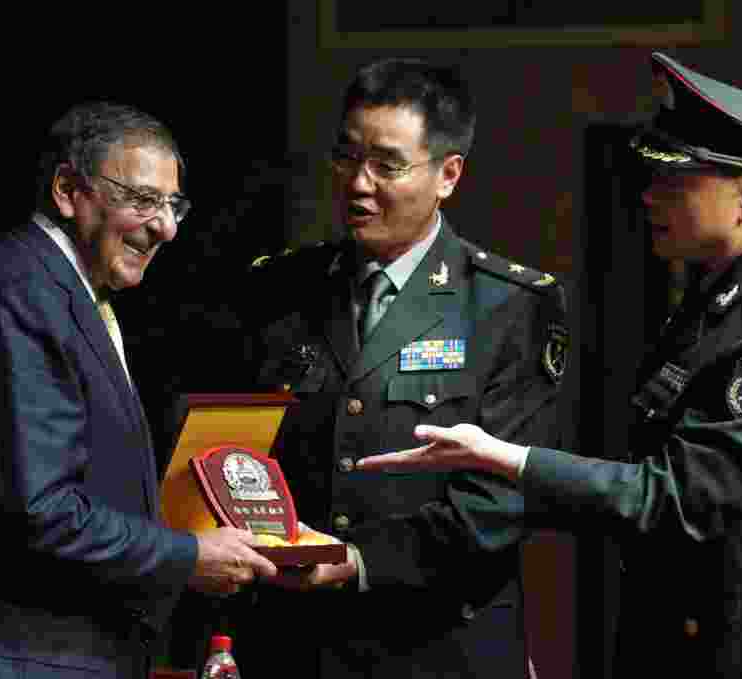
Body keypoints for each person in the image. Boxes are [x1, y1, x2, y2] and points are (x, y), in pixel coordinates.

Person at [358, 52, 742, 678]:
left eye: (673, 185)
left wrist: (508, 459)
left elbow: (678, 500)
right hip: (703, 625)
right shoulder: (737, 273)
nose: (647, 197)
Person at [228, 58, 568, 679]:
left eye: (386, 165)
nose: (358, 183)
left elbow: (502, 500)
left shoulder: (508, 304)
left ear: (448, 175)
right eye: (346, 157)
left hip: (435, 647)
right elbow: (237, 453)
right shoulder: (278, 289)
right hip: (294, 645)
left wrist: (361, 562)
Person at [0, 102, 277, 679]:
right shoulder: (20, 289)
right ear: (67, 189)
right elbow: (41, 511)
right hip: (22, 656)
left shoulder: (72, 290)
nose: (166, 226)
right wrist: (187, 557)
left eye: (173, 204)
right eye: (142, 199)